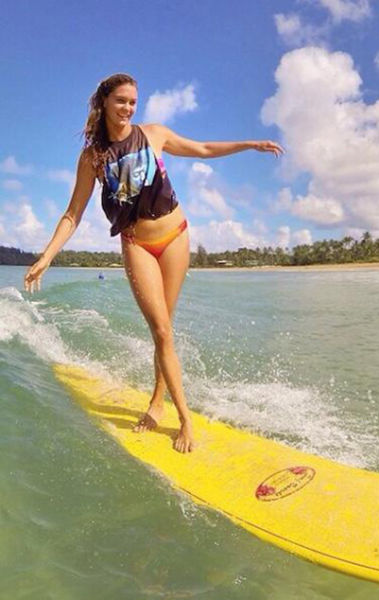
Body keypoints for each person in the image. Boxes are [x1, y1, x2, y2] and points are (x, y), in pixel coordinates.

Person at [24, 73, 284, 453]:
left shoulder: (153, 134)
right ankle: (185, 418)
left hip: (176, 235)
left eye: (133, 101)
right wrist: (46, 256)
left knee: (165, 330)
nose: (128, 108)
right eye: (121, 101)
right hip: (137, 244)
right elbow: (73, 213)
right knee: (161, 331)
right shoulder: (93, 158)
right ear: (104, 103)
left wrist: (249, 144)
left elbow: (205, 149)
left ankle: (157, 401)